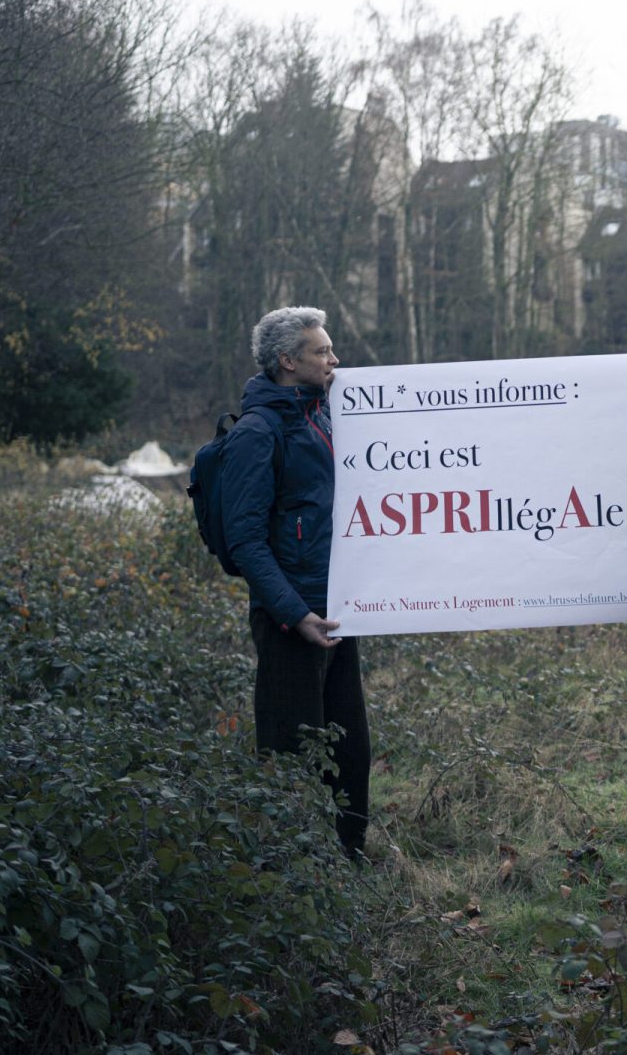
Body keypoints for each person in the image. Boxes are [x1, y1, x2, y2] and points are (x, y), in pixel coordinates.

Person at [222, 306, 370, 857]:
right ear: (288, 360)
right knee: (293, 752)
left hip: (339, 609)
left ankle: (349, 857)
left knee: (349, 746)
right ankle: (292, 872)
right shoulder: (257, 434)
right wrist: (294, 613)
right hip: (293, 621)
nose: (334, 360)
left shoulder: (325, 415)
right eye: (321, 351)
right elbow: (245, 542)